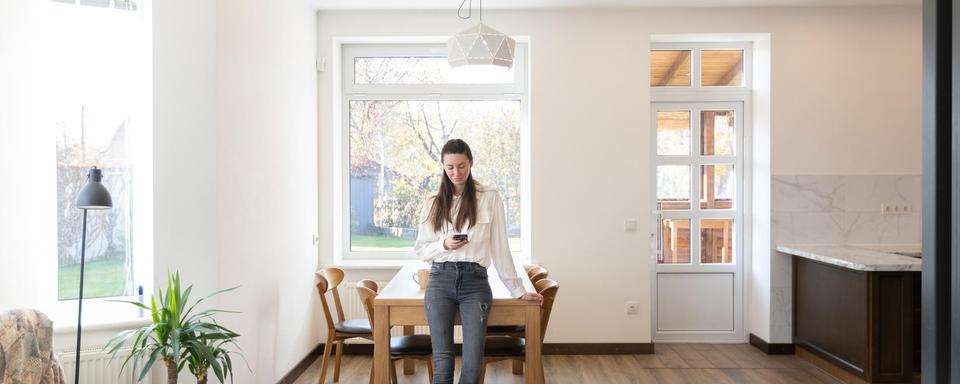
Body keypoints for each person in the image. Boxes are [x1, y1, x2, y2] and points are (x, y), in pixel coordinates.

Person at [414, 139, 542, 384]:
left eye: (461, 166)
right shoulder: (432, 201)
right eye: (450, 167)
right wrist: (443, 244)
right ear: (442, 166)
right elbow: (421, 250)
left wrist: (518, 290)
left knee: (473, 363)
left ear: (470, 163)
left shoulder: (490, 197)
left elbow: (501, 248)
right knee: (442, 363)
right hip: (440, 279)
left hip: (475, 282)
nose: (456, 173)